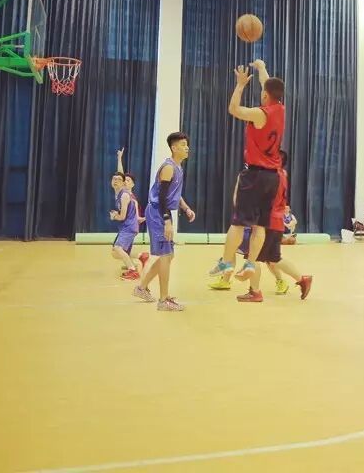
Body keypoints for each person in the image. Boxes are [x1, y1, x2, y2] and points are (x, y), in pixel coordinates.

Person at [207, 60, 285, 304]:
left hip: (255, 175)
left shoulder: (259, 114)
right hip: (272, 177)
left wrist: (240, 85)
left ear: (265, 95)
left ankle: (226, 262)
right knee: (260, 225)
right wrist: (262, 68)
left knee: (239, 222)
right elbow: (267, 84)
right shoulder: (280, 109)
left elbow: (233, 109)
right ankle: (251, 263)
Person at [213, 151, 313, 299]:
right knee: (273, 259)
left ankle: (255, 292)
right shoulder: (281, 174)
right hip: (275, 221)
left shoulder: (270, 177)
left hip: (268, 222)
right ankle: (302, 279)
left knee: (254, 257)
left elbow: (257, 200)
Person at [133, 132, 195, 311]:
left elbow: (174, 193)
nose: (187, 148)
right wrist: (167, 220)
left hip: (162, 212)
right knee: (166, 256)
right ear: (174, 148)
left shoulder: (178, 167)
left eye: (187, 144)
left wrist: (186, 208)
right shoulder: (168, 167)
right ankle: (163, 300)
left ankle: (141, 288)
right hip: (158, 212)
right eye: (183, 145)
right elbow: (162, 197)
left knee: (168, 255)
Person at [116, 147, 149, 270]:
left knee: (116, 250)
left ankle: (134, 266)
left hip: (129, 228)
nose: (125, 182)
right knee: (123, 251)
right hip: (127, 227)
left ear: (133, 184)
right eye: (124, 180)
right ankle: (133, 262)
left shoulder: (132, 199)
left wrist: (142, 218)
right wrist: (119, 158)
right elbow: (120, 174)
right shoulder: (122, 192)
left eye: (128, 180)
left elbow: (136, 217)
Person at [109, 173, 143, 280]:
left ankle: (132, 270)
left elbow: (122, 217)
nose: (115, 181)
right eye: (114, 179)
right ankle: (142, 256)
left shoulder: (124, 195)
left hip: (129, 227)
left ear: (123, 183)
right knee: (116, 253)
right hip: (126, 227)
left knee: (117, 248)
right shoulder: (118, 194)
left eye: (119, 179)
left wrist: (114, 216)